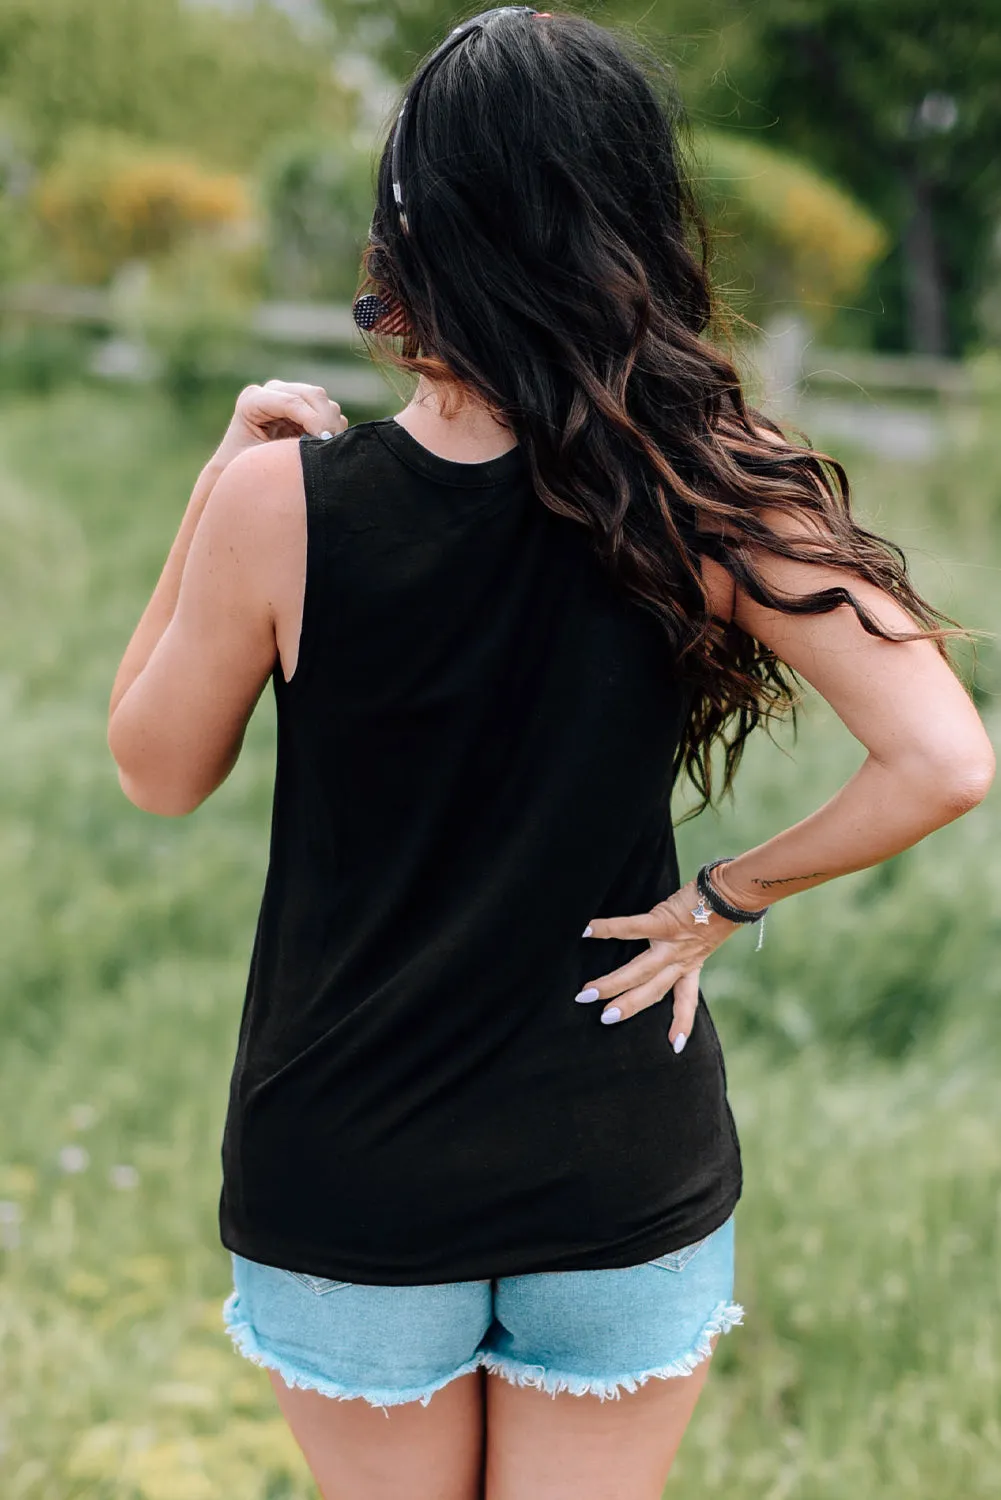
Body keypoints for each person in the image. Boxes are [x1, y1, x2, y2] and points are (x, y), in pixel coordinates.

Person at [106, 8, 995, 1498]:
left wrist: (217, 488)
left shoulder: (286, 506)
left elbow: (153, 767)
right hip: (616, 1149)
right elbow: (944, 758)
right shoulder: (710, 488)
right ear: (632, 225)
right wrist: (729, 895)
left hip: (351, 1164)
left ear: (416, 230)